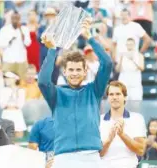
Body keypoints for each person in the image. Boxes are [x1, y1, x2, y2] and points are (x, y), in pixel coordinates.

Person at [38, 18, 112, 168]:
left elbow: (107, 63)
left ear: (85, 72)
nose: (74, 73)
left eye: (79, 70)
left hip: (91, 156)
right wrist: (52, 50)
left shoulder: (94, 90)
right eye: (71, 70)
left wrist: (90, 38)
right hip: (64, 158)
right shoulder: (56, 94)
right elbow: (43, 81)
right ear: (64, 72)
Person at [99, 81, 147, 168]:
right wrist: (109, 139)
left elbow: (140, 150)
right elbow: (99, 154)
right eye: (111, 94)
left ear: (125, 97)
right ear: (108, 98)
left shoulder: (137, 118)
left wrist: (122, 135)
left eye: (118, 94)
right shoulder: (99, 120)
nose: (114, 97)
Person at [0, 11, 31, 79]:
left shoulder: (25, 29)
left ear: (20, 19)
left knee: (22, 81)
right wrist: (9, 40)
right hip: (8, 60)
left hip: (21, 60)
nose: (15, 20)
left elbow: (28, 43)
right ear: (11, 18)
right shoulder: (4, 29)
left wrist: (21, 30)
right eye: (13, 18)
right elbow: (0, 44)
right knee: (7, 80)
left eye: (17, 18)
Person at [0, 71, 27, 138]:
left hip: (17, 115)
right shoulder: (3, 90)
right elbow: (2, 105)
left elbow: (20, 105)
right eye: (5, 78)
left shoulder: (21, 90)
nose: (6, 80)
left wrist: (15, 91)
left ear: (15, 79)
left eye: (9, 78)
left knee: (19, 136)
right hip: (6, 114)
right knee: (6, 137)